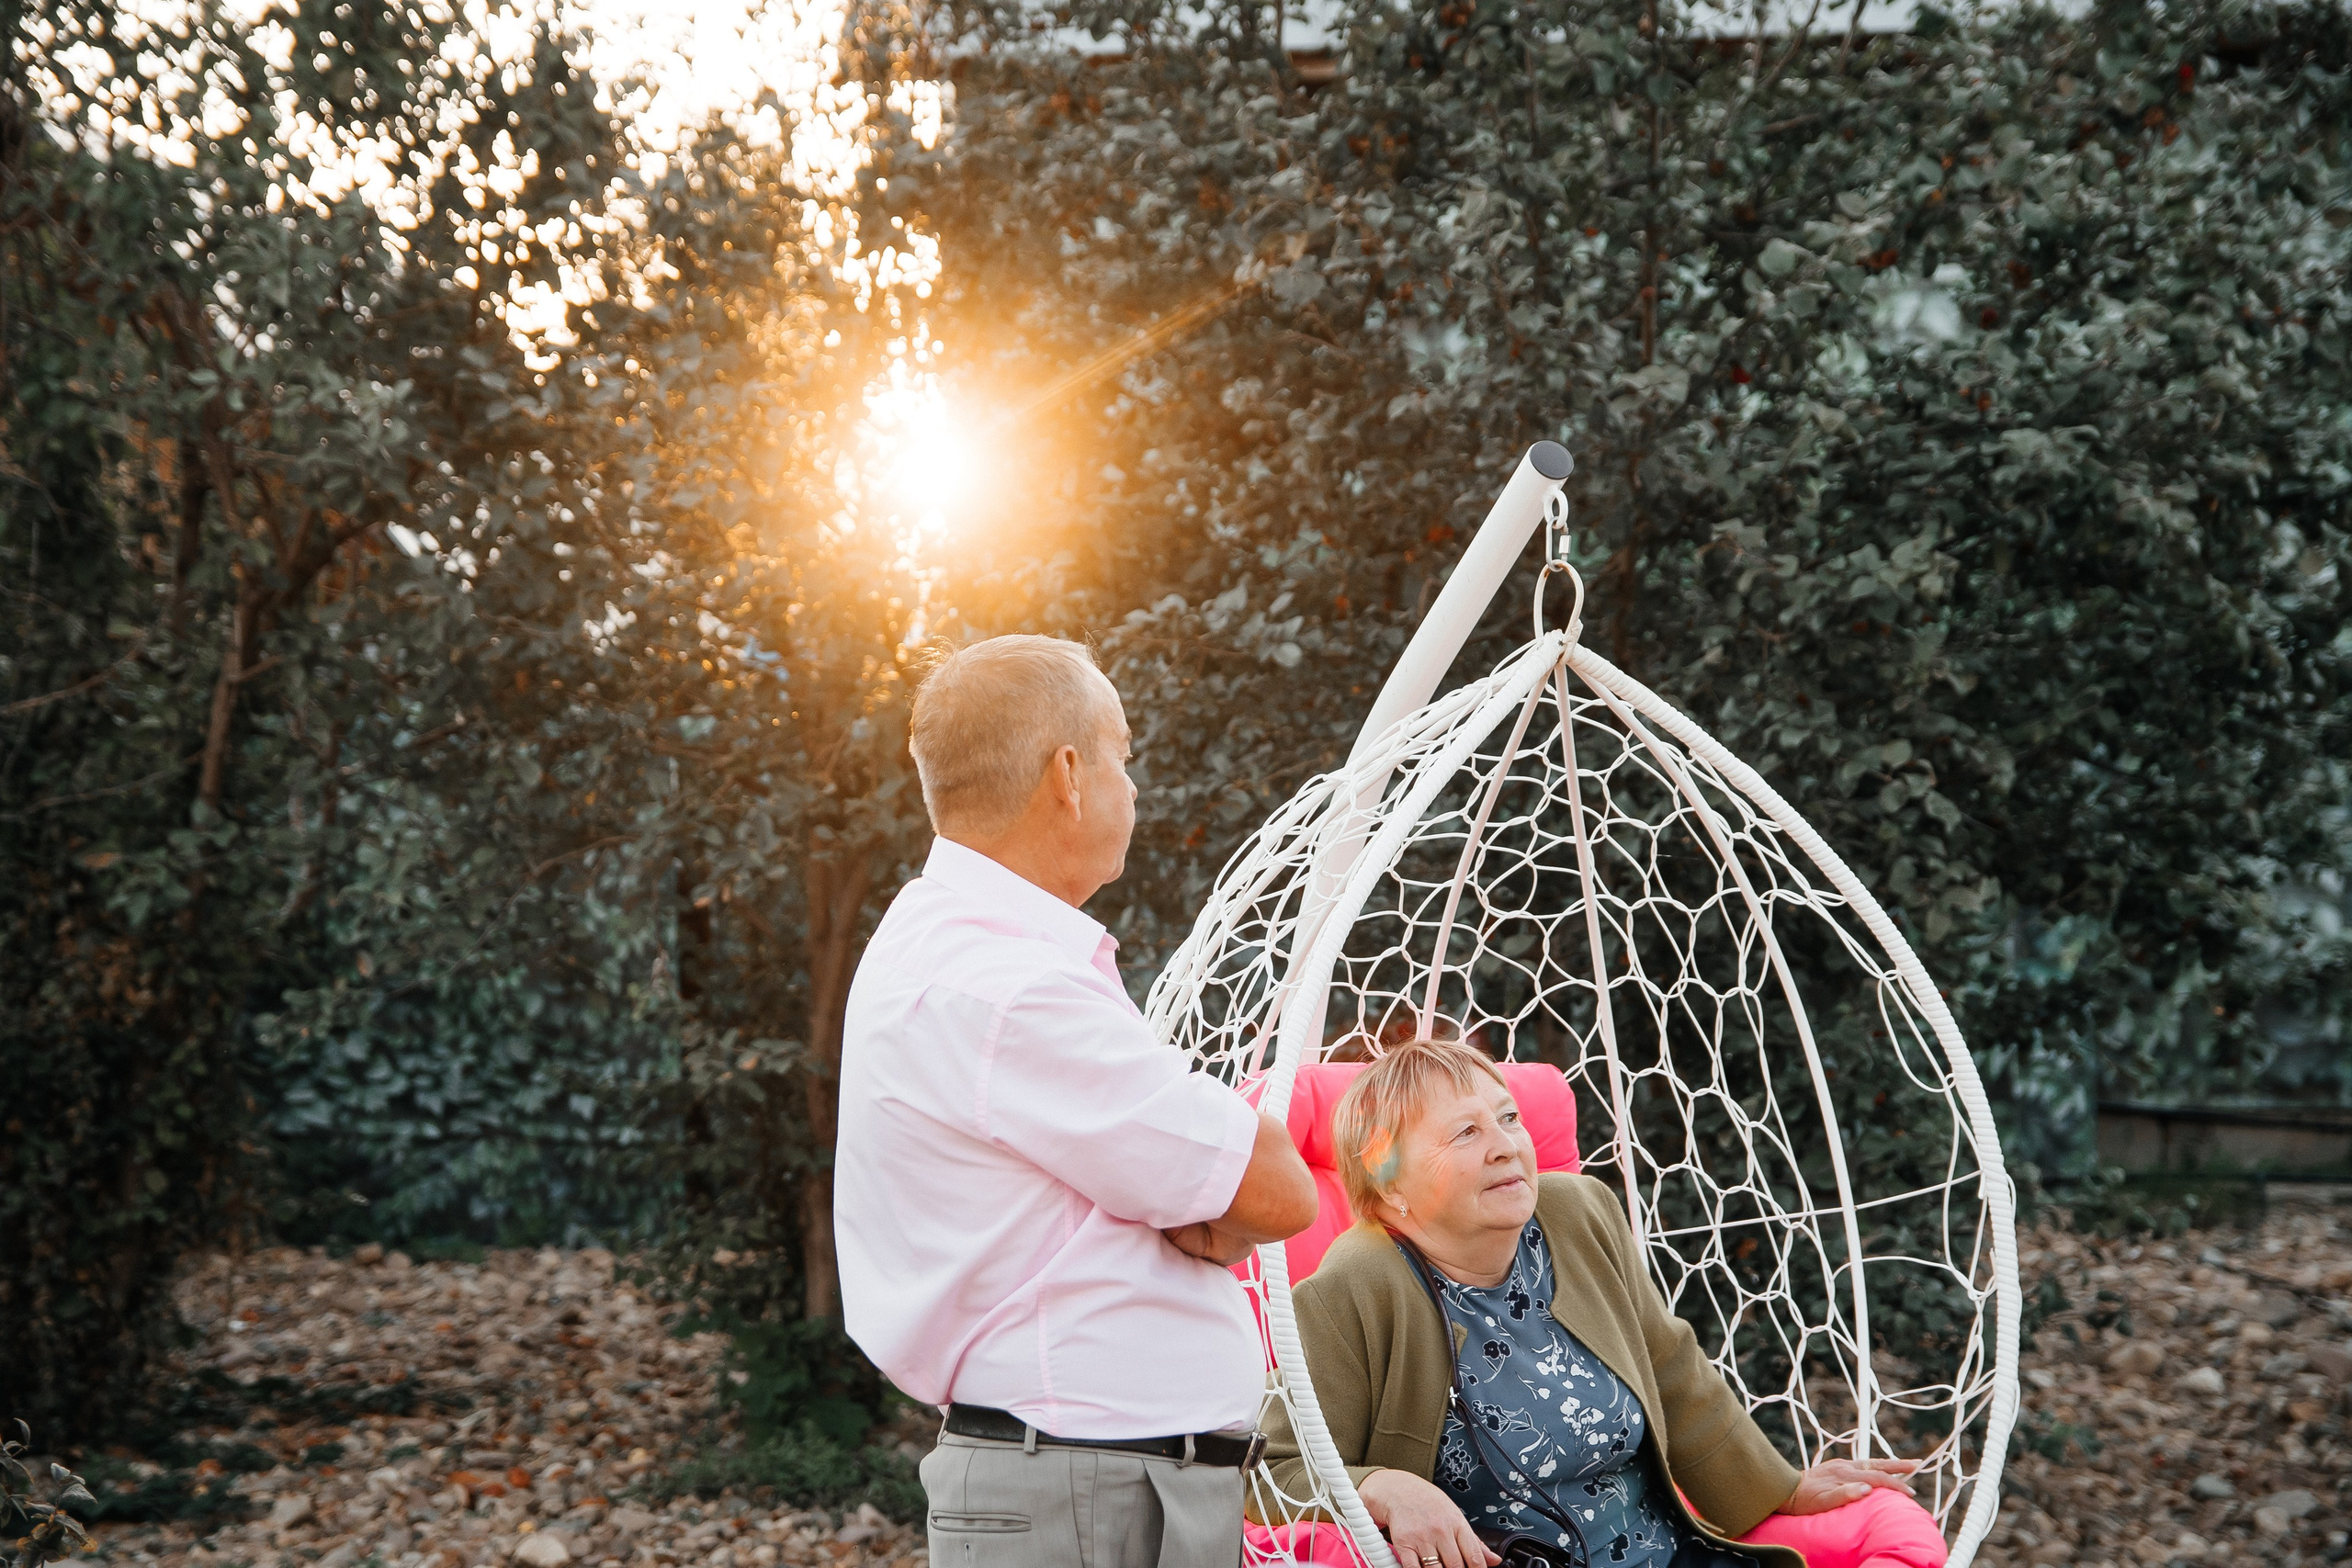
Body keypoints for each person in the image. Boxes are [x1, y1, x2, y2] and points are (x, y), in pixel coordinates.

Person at [835, 634, 1319, 1568]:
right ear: (1067, 774)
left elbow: (1224, 1189)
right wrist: (1206, 1207)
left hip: (1090, 1485)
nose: (1131, 788)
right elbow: (1277, 1189)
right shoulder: (1011, 987)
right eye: (1122, 757)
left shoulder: (954, 947)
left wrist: (1192, 1207)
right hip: (1086, 1499)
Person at [1255, 1038, 1933, 1568]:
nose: (1506, 1146)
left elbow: (1669, 1367)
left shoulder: (1579, 1212)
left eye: (1509, 1118)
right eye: (1466, 1133)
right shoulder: (1353, 1288)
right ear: (1390, 1183)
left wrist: (1780, 1488)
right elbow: (1270, 1471)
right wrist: (1384, 1487)